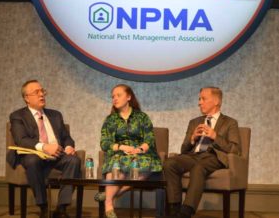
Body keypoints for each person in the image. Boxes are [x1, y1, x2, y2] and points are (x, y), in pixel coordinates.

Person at [7, 80, 81, 218]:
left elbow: (66, 137)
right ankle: (43, 206)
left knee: (74, 161)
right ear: (26, 98)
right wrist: (44, 147)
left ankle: (62, 208)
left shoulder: (55, 115)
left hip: (57, 154)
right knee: (32, 161)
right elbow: (21, 140)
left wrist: (69, 146)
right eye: (36, 92)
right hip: (34, 154)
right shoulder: (17, 116)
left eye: (42, 91)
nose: (42, 94)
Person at [164, 87, 241, 218]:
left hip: (213, 157)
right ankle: (174, 210)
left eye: (203, 99)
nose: (199, 102)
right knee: (169, 163)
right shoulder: (194, 122)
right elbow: (184, 150)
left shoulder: (230, 123)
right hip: (193, 155)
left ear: (216, 101)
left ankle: (186, 212)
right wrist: (192, 138)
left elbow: (235, 149)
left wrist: (215, 136)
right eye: (199, 99)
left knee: (198, 168)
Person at [97, 84, 162, 218]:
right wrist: (120, 147)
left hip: (140, 154)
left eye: (118, 95)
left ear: (129, 97)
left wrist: (139, 149)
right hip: (119, 153)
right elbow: (104, 143)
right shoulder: (110, 120)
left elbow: (149, 138)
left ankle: (113, 193)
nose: (115, 98)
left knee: (145, 164)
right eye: (113, 96)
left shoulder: (142, 117)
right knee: (117, 163)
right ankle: (109, 204)